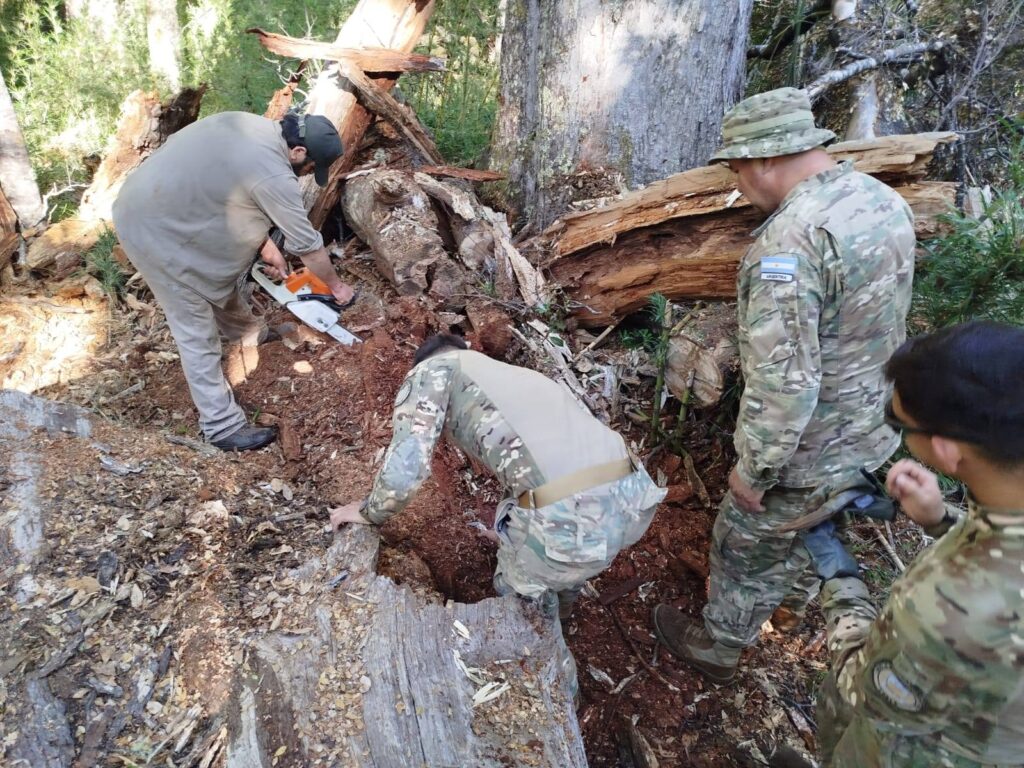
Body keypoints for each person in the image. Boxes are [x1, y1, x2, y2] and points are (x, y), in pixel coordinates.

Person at [652, 87, 916, 682]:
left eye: (739, 168)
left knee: (742, 542)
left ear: (767, 158)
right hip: (870, 431)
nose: (739, 183)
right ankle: (789, 610)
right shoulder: (878, 200)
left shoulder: (789, 242)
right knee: (817, 528)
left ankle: (718, 647)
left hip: (807, 451)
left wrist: (756, 470)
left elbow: (785, 381)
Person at [331, 334, 666, 695]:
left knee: (517, 596)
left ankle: (556, 690)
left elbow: (405, 470)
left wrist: (368, 513)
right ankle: (562, 601)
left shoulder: (431, 371)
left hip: (576, 521)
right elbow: (545, 463)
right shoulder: (511, 377)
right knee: (544, 544)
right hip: (634, 498)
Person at [798, 321, 1024, 766]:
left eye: (897, 420)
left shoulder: (956, 609)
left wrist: (840, 579)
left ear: (945, 451)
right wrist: (942, 521)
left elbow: (864, 690)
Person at [112, 110, 355, 451]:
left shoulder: (247, 124)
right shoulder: (274, 174)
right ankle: (221, 425)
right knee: (195, 326)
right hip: (152, 228)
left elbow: (219, 190)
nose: (307, 174)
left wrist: (264, 243)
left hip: (156, 202)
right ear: (298, 152)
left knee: (220, 273)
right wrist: (338, 288)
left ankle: (247, 334)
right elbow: (309, 247)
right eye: (311, 168)